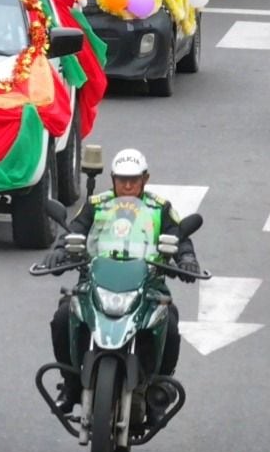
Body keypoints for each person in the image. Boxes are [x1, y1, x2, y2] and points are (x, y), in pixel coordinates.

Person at [44, 149, 202, 414]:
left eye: (133, 180)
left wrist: (186, 258)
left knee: (170, 320)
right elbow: (75, 230)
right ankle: (70, 384)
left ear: (145, 179)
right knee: (63, 316)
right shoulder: (97, 205)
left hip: (148, 284)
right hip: (96, 280)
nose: (127, 185)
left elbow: (180, 237)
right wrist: (60, 250)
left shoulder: (159, 208)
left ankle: (159, 386)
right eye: (122, 179)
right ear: (112, 179)